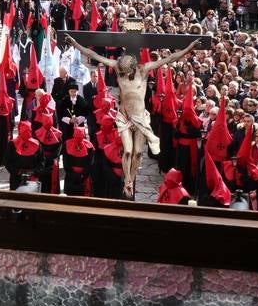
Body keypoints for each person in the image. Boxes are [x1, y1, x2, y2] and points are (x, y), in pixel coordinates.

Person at [65, 34, 200, 198]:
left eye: (126, 65)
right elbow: (93, 55)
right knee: (127, 151)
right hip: (124, 116)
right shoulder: (117, 68)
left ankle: (131, 178)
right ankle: (128, 181)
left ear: (133, 64)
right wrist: (76, 43)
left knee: (137, 153)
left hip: (141, 117)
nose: (124, 67)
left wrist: (189, 49)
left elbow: (170, 58)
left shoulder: (144, 69)